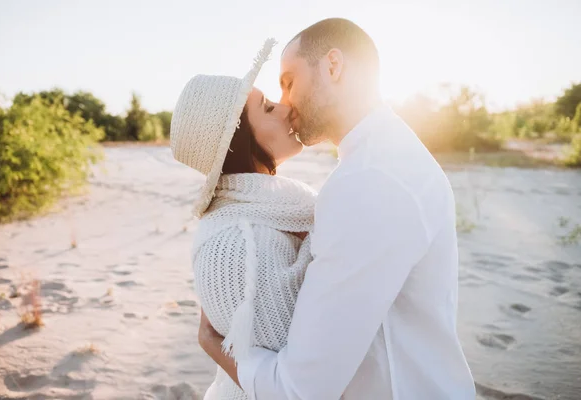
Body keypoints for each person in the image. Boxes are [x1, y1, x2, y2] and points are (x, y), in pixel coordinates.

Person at [197, 18, 476, 399]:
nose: (286, 102)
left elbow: (299, 390)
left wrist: (216, 346)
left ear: (333, 66)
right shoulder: (387, 156)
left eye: (289, 82)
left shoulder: (369, 182)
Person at [170, 39, 318, 399]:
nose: (286, 108)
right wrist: (210, 343)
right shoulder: (239, 244)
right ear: (238, 141)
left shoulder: (278, 209)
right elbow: (290, 384)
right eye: (267, 108)